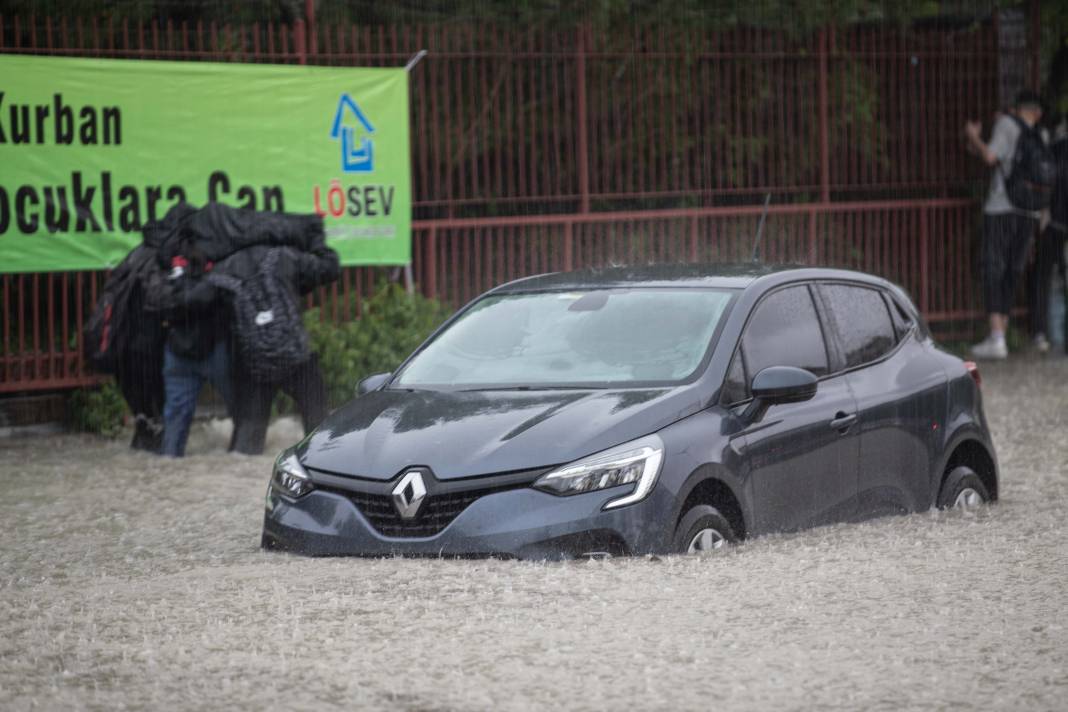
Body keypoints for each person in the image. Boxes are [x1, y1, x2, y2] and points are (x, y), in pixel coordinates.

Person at [213, 241, 339, 456]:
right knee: (318, 422)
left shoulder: (221, 271)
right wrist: (315, 238)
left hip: (254, 362)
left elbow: (209, 315)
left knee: (247, 440)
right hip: (295, 356)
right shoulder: (285, 257)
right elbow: (328, 269)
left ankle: (241, 457)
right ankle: (322, 458)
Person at [964, 90, 1044, 359]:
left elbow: (990, 157)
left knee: (993, 266)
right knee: (1013, 268)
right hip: (1029, 212)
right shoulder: (1040, 135)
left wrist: (973, 136)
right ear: (1038, 112)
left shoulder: (1007, 125)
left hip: (1001, 208)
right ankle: (1002, 332)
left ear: (1015, 107)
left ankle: (997, 337)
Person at [145, 235, 234, 457]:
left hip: (180, 351)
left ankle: (169, 467)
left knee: (174, 424)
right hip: (209, 350)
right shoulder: (221, 265)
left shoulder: (167, 267)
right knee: (243, 412)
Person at [1030, 124, 1068, 353]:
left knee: (1044, 277)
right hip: (1057, 221)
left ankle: (1042, 332)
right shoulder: (1057, 147)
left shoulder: (1055, 148)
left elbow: (1048, 183)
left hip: (1055, 222)